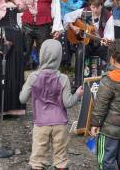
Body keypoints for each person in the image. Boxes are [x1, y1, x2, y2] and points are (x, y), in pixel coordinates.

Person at [19, 39, 83, 170]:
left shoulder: (33, 77)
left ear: (42, 55)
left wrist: (30, 89)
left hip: (41, 123)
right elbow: (68, 103)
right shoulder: (63, 78)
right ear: (59, 57)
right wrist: (77, 94)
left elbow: (22, 99)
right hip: (60, 123)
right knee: (61, 159)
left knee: (37, 158)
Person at [64, 0, 114, 88]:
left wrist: (105, 41)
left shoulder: (108, 16)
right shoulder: (84, 11)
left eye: (97, 7)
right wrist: (73, 27)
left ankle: (110, 85)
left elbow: (109, 36)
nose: (94, 10)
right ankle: (78, 85)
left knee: (110, 56)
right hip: (87, 44)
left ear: (101, 6)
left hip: (100, 45)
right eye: (92, 7)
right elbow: (67, 17)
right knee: (80, 52)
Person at [21, 0, 63, 66]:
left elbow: (56, 8)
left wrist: (56, 28)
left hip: (44, 26)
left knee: (43, 54)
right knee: (24, 52)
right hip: (26, 25)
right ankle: (21, 76)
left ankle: (42, 77)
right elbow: (20, 6)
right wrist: (18, 23)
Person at [91, 39, 120, 170]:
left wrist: (95, 124)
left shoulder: (109, 79)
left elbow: (100, 106)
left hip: (109, 131)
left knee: (106, 161)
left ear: (113, 59)